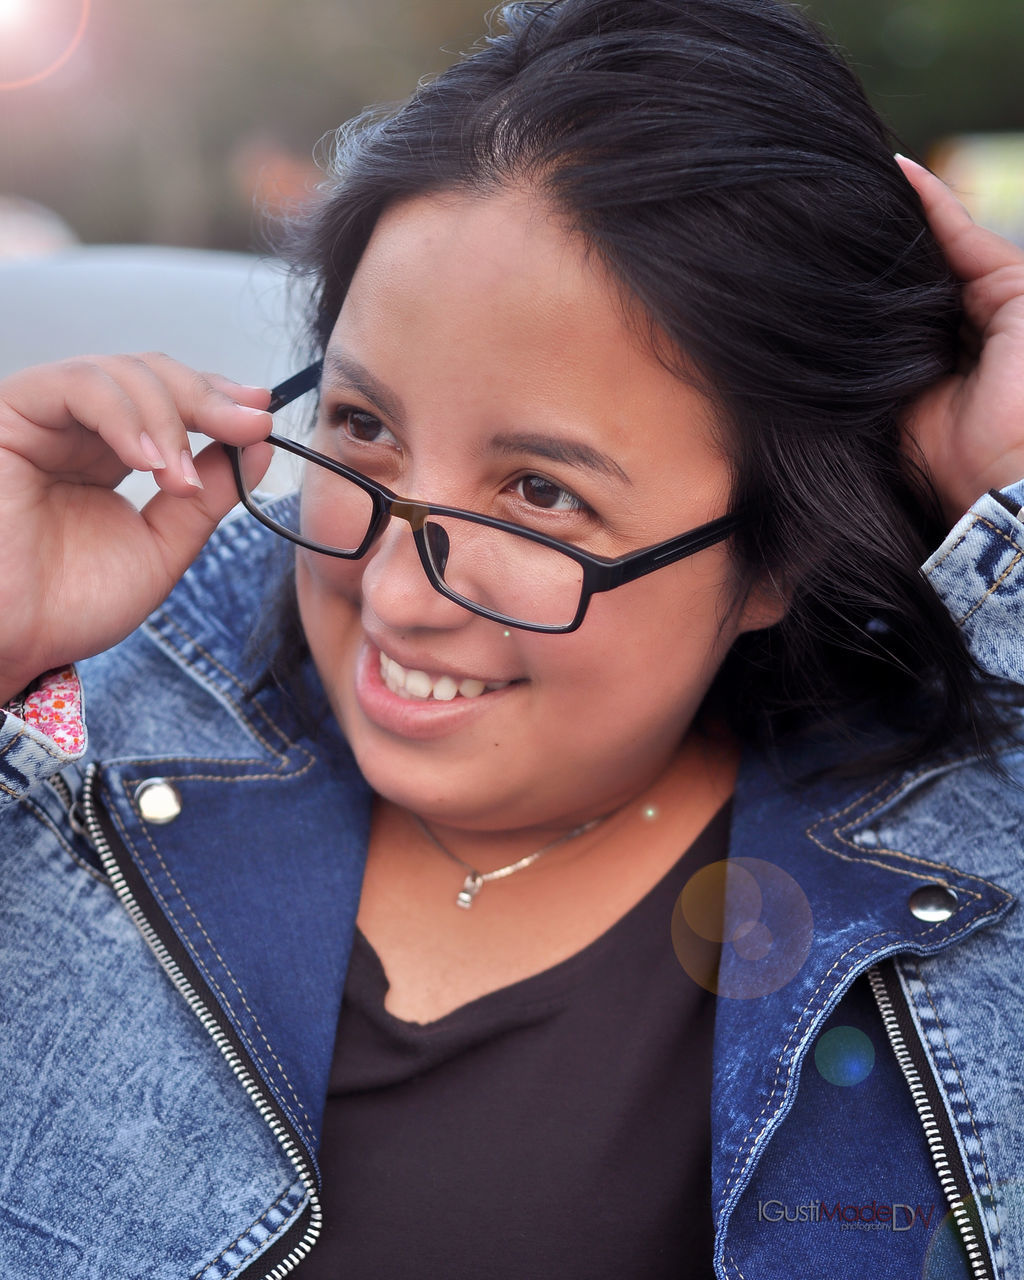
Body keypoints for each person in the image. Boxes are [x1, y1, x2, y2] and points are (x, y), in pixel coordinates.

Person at [2, 1, 1023, 1276]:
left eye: (541, 494)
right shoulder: (65, 752)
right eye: (366, 425)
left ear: (782, 555)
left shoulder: (965, 859)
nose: (395, 587)